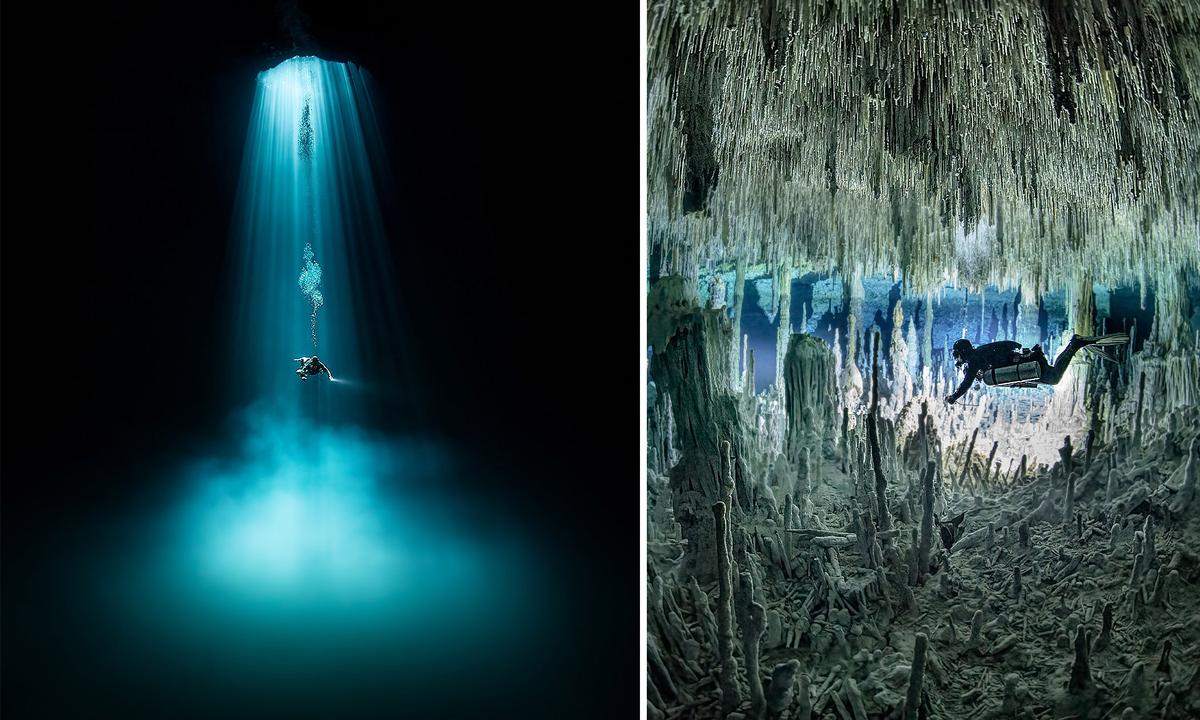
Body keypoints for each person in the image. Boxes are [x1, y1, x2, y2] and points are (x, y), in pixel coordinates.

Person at [944, 333, 1127, 404]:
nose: (957, 359)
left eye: (956, 354)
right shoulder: (981, 354)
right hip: (1027, 365)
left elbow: (966, 383)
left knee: (1055, 377)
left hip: (1027, 365)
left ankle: (1075, 344)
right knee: (1055, 376)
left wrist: (954, 396)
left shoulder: (973, 361)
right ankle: (1075, 344)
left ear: (962, 352)